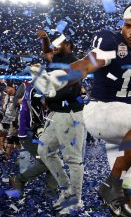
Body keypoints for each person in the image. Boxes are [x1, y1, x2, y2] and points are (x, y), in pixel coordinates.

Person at [68, 2, 131, 216]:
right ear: (122, 25)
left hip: (123, 118)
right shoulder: (110, 41)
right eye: (128, 26)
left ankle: (116, 197)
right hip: (102, 111)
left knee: (125, 184)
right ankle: (110, 184)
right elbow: (88, 63)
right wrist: (65, 76)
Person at [35, 31, 86, 215]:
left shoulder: (75, 61)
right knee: (44, 150)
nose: (56, 46)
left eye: (60, 43)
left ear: (69, 46)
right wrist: (45, 39)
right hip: (55, 113)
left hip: (70, 114)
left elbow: (73, 90)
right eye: (54, 43)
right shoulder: (55, 58)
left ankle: (76, 200)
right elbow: (46, 52)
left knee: (73, 159)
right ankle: (66, 190)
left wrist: (49, 94)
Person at [9, 81, 58, 198]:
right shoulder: (31, 91)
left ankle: (51, 190)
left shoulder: (35, 95)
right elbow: (23, 101)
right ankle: (19, 179)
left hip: (37, 134)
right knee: (47, 161)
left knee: (52, 159)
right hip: (28, 135)